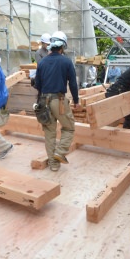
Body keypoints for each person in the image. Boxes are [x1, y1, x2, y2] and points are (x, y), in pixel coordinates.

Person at [33, 31, 81, 171]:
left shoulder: (42, 62)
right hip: (58, 101)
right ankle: (60, 153)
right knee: (69, 127)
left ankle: (54, 165)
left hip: (44, 101)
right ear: (63, 47)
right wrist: (76, 101)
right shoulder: (66, 62)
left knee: (50, 133)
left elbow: (38, 85)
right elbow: (72, 84)